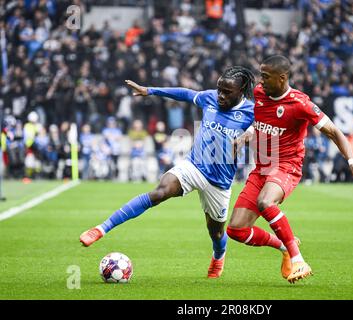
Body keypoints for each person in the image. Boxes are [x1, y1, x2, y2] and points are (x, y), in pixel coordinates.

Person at [80, 66, 256, 278]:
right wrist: (151, 90)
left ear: (241, 90)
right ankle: (101, 228)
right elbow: (185, 93)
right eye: (219, 89)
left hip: (219, 182)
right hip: (194, 166)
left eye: (227, 92)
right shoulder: (209, 98)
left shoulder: (252, 111)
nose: (221, 95)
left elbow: (270, 124)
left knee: (216, 231)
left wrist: (249, 133)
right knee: (160, 192)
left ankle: (219, 255)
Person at [228, 55, 353, 284]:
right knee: (236, 230)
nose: (261, 81)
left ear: (282, 78)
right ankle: (286, 246)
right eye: (261, 75)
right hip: (262, 168)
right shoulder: (259, 93)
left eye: (266, 77)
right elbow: (258, 124)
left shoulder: (300, 104)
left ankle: (299, 260)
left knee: (266, 202)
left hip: (287, 167)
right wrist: (244, 137)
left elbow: (335, 133)